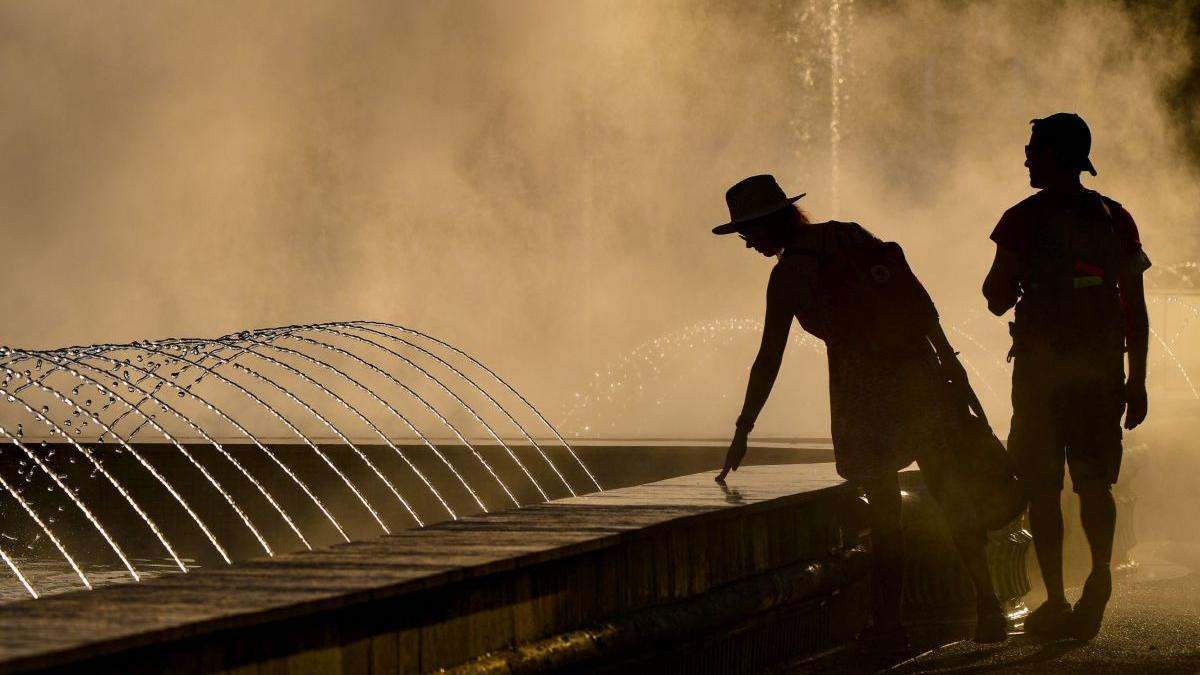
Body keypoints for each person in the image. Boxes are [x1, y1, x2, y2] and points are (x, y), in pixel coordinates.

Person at [713, 174, 1007, 653]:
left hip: (864, 394)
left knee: (886, 515)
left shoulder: (789, 276)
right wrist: (951, 366)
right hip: (919, 377)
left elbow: (770, 356)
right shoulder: (850, 233)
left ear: (769, 223)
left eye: (748, 232)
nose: (747, 243)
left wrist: (744, 427)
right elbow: (918, 301)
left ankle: (890, 625)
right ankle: (989, 605)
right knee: (951, 495)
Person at [983, 113, 1150, 642]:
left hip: (1040, 380)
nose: (1027, 158)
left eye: (1034, 149)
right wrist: (1137, 380)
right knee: (1095, 483)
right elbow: (1136, 310)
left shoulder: (1021, 220)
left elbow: (994, 297)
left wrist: (1020, 285)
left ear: (1055, 155)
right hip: (1101, 373)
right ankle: (1098, 575)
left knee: (1043, 488)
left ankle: (1054, 599)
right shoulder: (1114, 217)